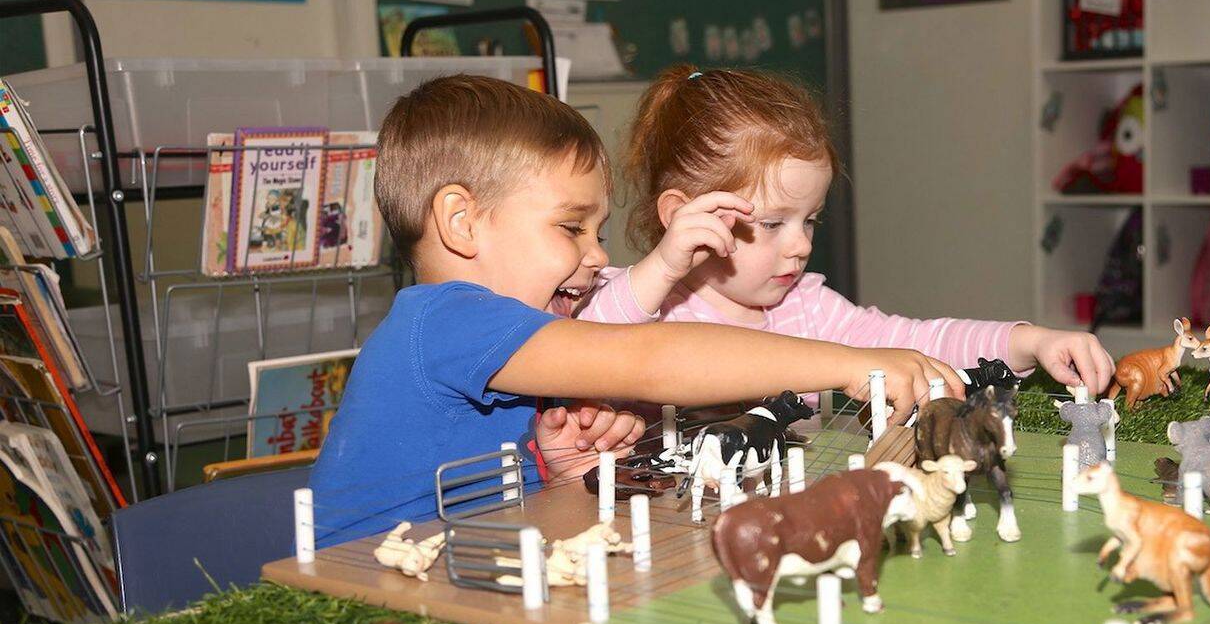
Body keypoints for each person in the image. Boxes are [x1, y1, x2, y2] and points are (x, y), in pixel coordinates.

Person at [309, 75, 960, 546]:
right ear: (461, 222)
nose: (597, 257)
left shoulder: (518, 337)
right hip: (360, 594)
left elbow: (506, 505)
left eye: (599, 231)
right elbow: (654, 358)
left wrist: (560, 470)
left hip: (459, 569)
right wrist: (846, 365)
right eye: (571, 229)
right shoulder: (444, 320)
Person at [574, 65, 1114, 394]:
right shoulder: (638, 301)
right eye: (771, 224)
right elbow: (580, 352)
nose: (802, 244)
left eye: (808, 220)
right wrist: (664, 268)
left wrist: (1029, 341)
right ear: (683, 218)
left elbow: (912, 342)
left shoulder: (805, 309)